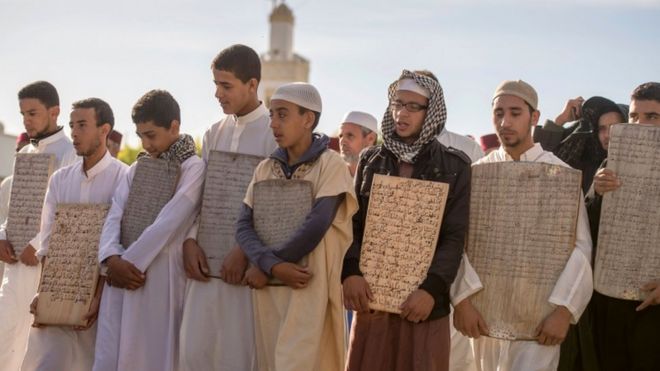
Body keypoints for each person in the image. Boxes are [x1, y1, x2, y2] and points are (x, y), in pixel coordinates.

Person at [452, 80, 593, 371]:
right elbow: (456, 239)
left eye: (515, 112)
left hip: (539, 320)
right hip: (482, 316)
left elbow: (580, 248)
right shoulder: (476, 175)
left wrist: (564, 312)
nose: (505, 122)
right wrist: (463, 301)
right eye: (498, 113)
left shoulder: (561, 175)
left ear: (535, 117)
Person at [342, 70, 470, 371]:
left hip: (424, 308)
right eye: (398, 103)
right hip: (373, 301)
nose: (402, 113)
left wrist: (431, 290)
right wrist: (350, 273)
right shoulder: (371, 161)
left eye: (413, 106)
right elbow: (353, 223)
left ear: (432, 111)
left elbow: (454, 237)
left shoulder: (456, 166)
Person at [235, 82, 357, 371]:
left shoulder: (331, 165)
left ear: (308, 119)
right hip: (269, 291)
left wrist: (267, 265)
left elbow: (317, 224)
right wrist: (272, 267)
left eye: (282, 115)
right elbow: (243, 225)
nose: (274, 123)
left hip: (308, 286)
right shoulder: (265, 168)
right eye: (272, 115)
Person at [179, 44, 277, 371]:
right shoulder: (212, 133)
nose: (218, 94)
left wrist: (245, 250)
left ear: (252, 85)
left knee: (239, 356)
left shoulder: (273, 135)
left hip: (246, 271)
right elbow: (200, 197)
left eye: (226, 86)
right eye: (215, 85)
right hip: (205, 265)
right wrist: (190, 240)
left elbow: (272, 206)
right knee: (195, 353)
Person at [93, 90, 205, 371]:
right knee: (111, 353)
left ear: (174, 127)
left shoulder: (193, 168)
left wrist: (130, 263)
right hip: (119, 276)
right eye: (141, 136)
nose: (146, 143)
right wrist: (110, 258)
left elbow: (170, 221)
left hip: (159, 278)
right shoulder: (137, 168)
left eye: (151, 135)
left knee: (151, 357)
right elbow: (115, 212)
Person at [21, 98, 128, 371]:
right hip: (58, 298)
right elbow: (48, 241)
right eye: (71, 126)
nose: (75, 133)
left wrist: (97, 298)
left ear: (105, 129)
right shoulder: (59, 180)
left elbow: (116, 244)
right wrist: (43, 293)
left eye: (82, 125)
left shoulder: (123, 178)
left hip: (99, 305)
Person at [0, 81, 78, 371]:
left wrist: (37, 245)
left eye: (33, 113)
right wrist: (1, 237)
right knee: (5, 334)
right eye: (23, 114)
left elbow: (66, 214)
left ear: (54, 111)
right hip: (15, 265)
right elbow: (13, 210)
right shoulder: (24, 155)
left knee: (36, 345)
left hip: (46, 268)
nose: (26, 120)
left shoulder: (70, 154)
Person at [587, 81, 660, 371]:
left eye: (651, 117)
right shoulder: (610, 163)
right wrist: (597, 193)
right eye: (633, 117)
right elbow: (587, 230)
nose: (639, 124)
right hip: (612, 302)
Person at [534, 96, 627, 193]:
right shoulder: (586, 167)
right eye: (602, 128)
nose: (607, 135)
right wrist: (560, 120)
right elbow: (542, 168)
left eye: (614, 127)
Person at [0, 133, 31, 281]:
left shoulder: (36, 180)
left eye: (24, 149)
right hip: (5, 249)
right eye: (18, 150)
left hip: (28, 255)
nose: (21, 154)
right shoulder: (7, 183)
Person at [338, 110, 378, 176]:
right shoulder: (329, 174)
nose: (342, 141)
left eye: (350, 135)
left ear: (370, 139)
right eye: (340, 136)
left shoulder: (383, 178)